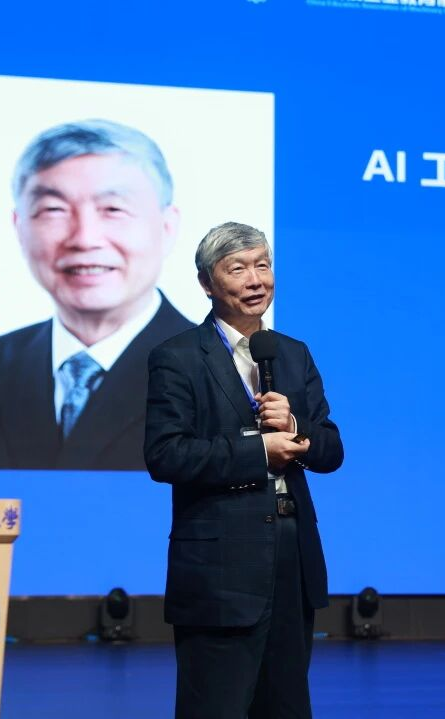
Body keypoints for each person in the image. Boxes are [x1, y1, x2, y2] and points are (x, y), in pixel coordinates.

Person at [0, 120, 193, 470]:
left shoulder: (229, 374)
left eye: (113, 209)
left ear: (167, 227)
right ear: (19, 228)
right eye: (54, 210)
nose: (84, 238)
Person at [145, 222, 344, 719]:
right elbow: (166, 454)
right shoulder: (178, 358)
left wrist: (294, 427)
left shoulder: (292, 354)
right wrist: (259, 452)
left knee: (287, 706)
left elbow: (331, 449)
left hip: (292, 556)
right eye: (238, 269)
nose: (256, 280)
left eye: (263, 265)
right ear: (207, 283)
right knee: (217, 706)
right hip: (220, 567)